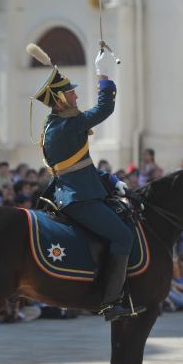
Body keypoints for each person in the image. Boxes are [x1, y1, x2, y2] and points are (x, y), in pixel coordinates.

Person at [31, 43, 132, 321]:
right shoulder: (66, 125)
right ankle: (111, 302)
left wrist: (110, 180)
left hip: (80, 188)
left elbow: (78, 165)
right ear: (61, 100)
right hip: (79, 197)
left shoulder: (57, 124)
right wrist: (104, 75)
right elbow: (104, 108)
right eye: (71, 92)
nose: (76, 94)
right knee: (122, 235)